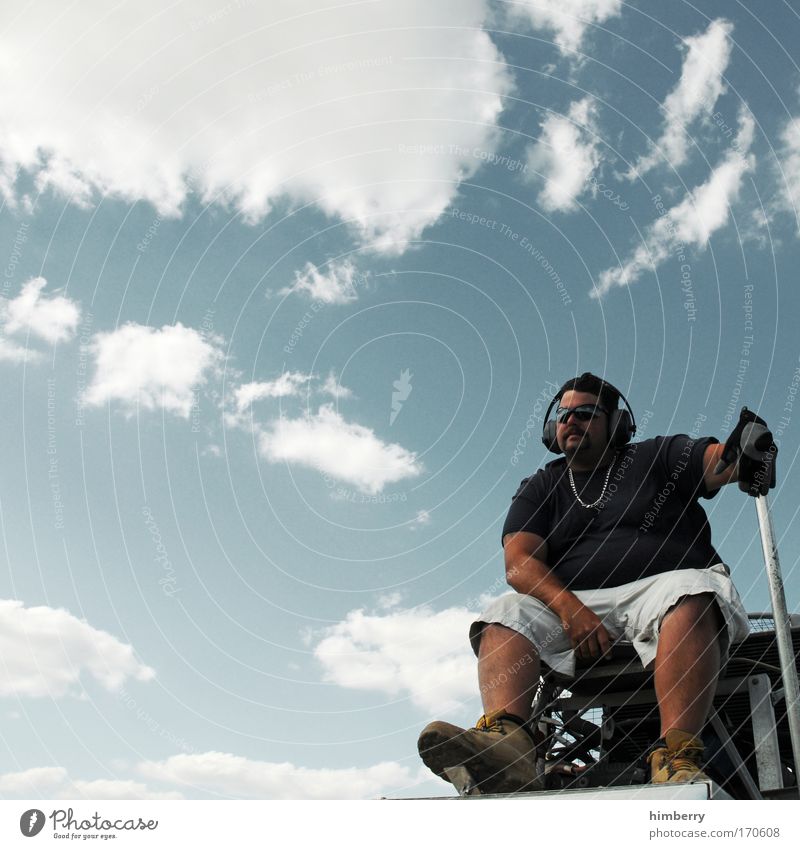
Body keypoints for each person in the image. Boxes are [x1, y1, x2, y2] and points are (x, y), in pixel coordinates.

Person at [418, 373, 775, 794]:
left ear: (616, 423)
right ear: (553, 429)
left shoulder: (657, 454)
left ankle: (677, 754)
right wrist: (572, 610)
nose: (572, 421)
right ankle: (509, 746)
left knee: (694, 589)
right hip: (574, 604)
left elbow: (719, 462)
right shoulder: (542, 485)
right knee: (504, 612)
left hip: (660, 591)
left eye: (586, 413)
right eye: (564, 415)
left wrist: (747, 449)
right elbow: (519, 563)